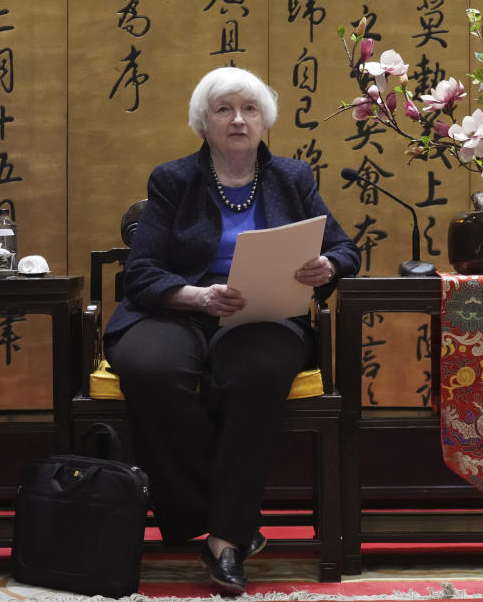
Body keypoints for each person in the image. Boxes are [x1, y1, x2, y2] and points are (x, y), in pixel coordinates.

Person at [103, 66, 361, 593]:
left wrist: (327, 268)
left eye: (248, 109)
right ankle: (229, 517)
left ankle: (224, 540)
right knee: (149, 368)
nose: (238, 120)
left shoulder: (293, 178)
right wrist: (196, 296)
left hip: (264, 310)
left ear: (264, 120)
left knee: (256, 373)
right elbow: (142, 270)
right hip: (182, 304)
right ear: (204, 122)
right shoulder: (173, 180)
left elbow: (343, 249)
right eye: (223, 110)